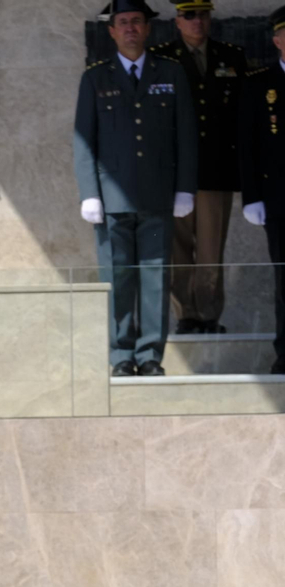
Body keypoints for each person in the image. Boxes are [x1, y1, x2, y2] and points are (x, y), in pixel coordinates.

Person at [74, 0, 198, 378]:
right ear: (111, 31)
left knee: (156, 276)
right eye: (122, 22)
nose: (130, 28)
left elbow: (186, 136)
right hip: (111, 199)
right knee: (117, 276)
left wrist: (184, 189)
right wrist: (89, 192)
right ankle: (120, 355)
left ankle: (150, 355)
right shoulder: (96, 78)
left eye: (136, 22)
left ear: (148, 29)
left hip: (158, 195)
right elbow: (83, 141)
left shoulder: (171, 74)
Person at [151, 1, 248, 335]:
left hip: (215, 168)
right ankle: (185, 314)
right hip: (176, 171)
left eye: (202, 14)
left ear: (210, 17)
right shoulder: (161, 58)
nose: (196, 22)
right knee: (177, 248)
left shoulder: (232, 57)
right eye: (189, 15)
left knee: (210, 248)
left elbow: (241, 115)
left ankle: (208, 314)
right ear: (177, 21)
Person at [239, 7, 285, 372]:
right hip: (279, 201)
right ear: (277, 40)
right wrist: (251, 196)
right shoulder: (260, 84)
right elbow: (248, 144)